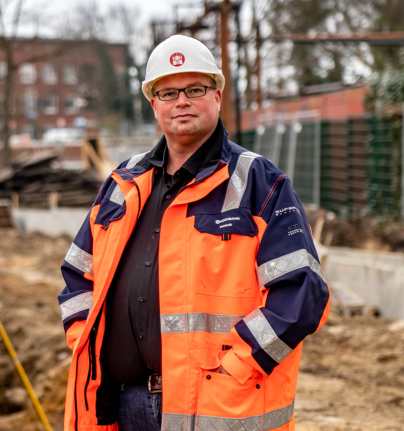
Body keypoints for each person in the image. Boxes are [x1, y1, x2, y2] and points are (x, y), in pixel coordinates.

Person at [58, 35, 330, 431]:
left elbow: (304, 294)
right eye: (168, 92)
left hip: (218, 406)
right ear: (154, 105)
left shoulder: (258, 182)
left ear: (217, 96)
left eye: (195, 89)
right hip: (123, 404)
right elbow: (76, 274)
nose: (181, 101)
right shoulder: (123, 182)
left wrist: (238, 365)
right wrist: (88, 344)